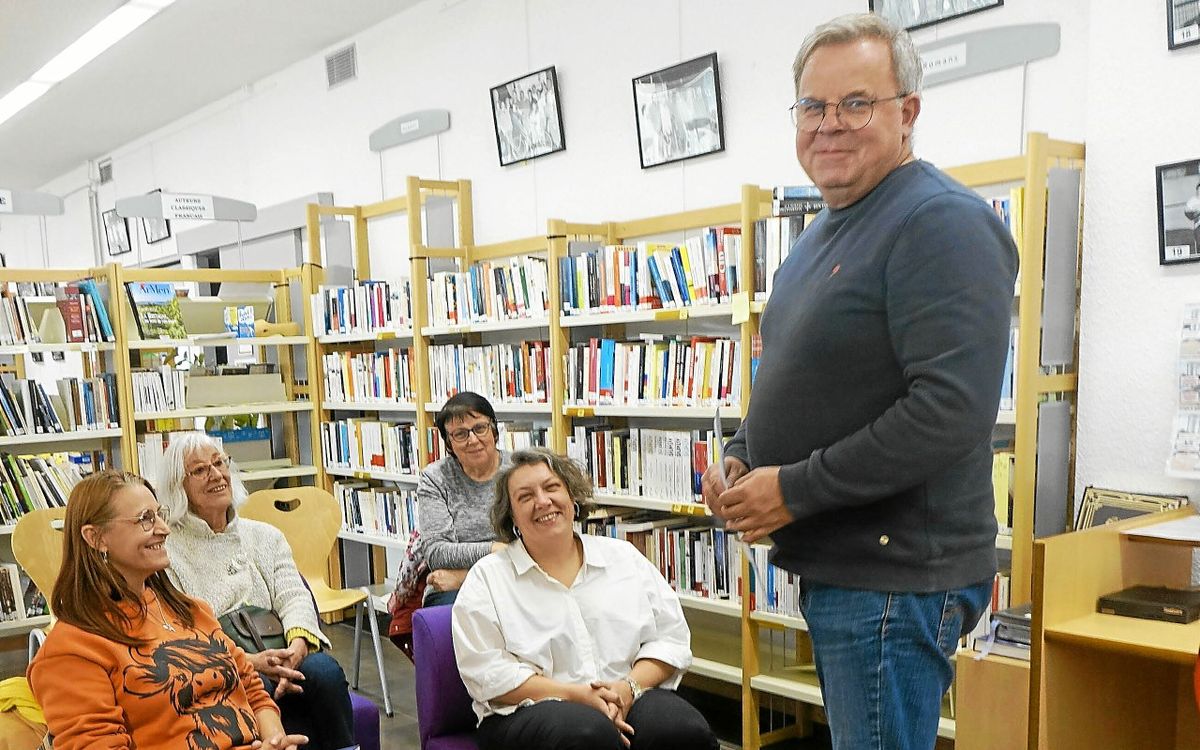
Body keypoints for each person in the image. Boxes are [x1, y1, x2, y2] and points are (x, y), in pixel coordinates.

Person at [701, 13, 1017, 750]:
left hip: (894, 579)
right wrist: (744, 456)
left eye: (856, 103)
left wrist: (793, 488)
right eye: (813, 106)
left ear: (908, 112)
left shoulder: (940, 222)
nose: (830, 124)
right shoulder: (824, 229)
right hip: (850, 568)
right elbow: (801, 377)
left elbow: (948, 412)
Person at [453, 447, 717, 750]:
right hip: (529, 709)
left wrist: (627, 688)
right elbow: (486, 673)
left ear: (572, 497)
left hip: (628, 692)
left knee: (682, 730)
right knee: (588, 735)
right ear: (511, 515)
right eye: (525, 497)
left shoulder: (623, 557)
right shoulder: (487, 578)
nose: (543, 501)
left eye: (552, 487)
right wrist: (576, 695)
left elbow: (670, 637)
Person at [27, 470, 307, 750]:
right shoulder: (71, 649)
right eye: (145, 519)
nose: (164, 528)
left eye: (160, 514)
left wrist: (277, 742)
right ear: (96, 538)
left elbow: (252, 690)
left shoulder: (192, 610)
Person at [159, 433, 355, 750]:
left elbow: (295, 595)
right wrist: (250, 660)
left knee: (325, 672)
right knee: (254, 684)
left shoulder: (265, 535)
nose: (216, 475)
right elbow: (182, 631)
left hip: (282, 646)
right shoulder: (169, 552)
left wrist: (298, 646)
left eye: (219, 463)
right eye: (200, 470)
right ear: (177, 486)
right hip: (225, 659)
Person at [417, 391, 508, 606]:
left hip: (511, 577)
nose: (473, 440)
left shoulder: (520, 470)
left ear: (494, 430)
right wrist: (496, 549)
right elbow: (437, 552)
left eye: (480, 428)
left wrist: (463, 576)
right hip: (449, 589)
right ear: (449, 444)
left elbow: (533, 546)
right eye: (460, 434)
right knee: (458, 614)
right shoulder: (435, 478)